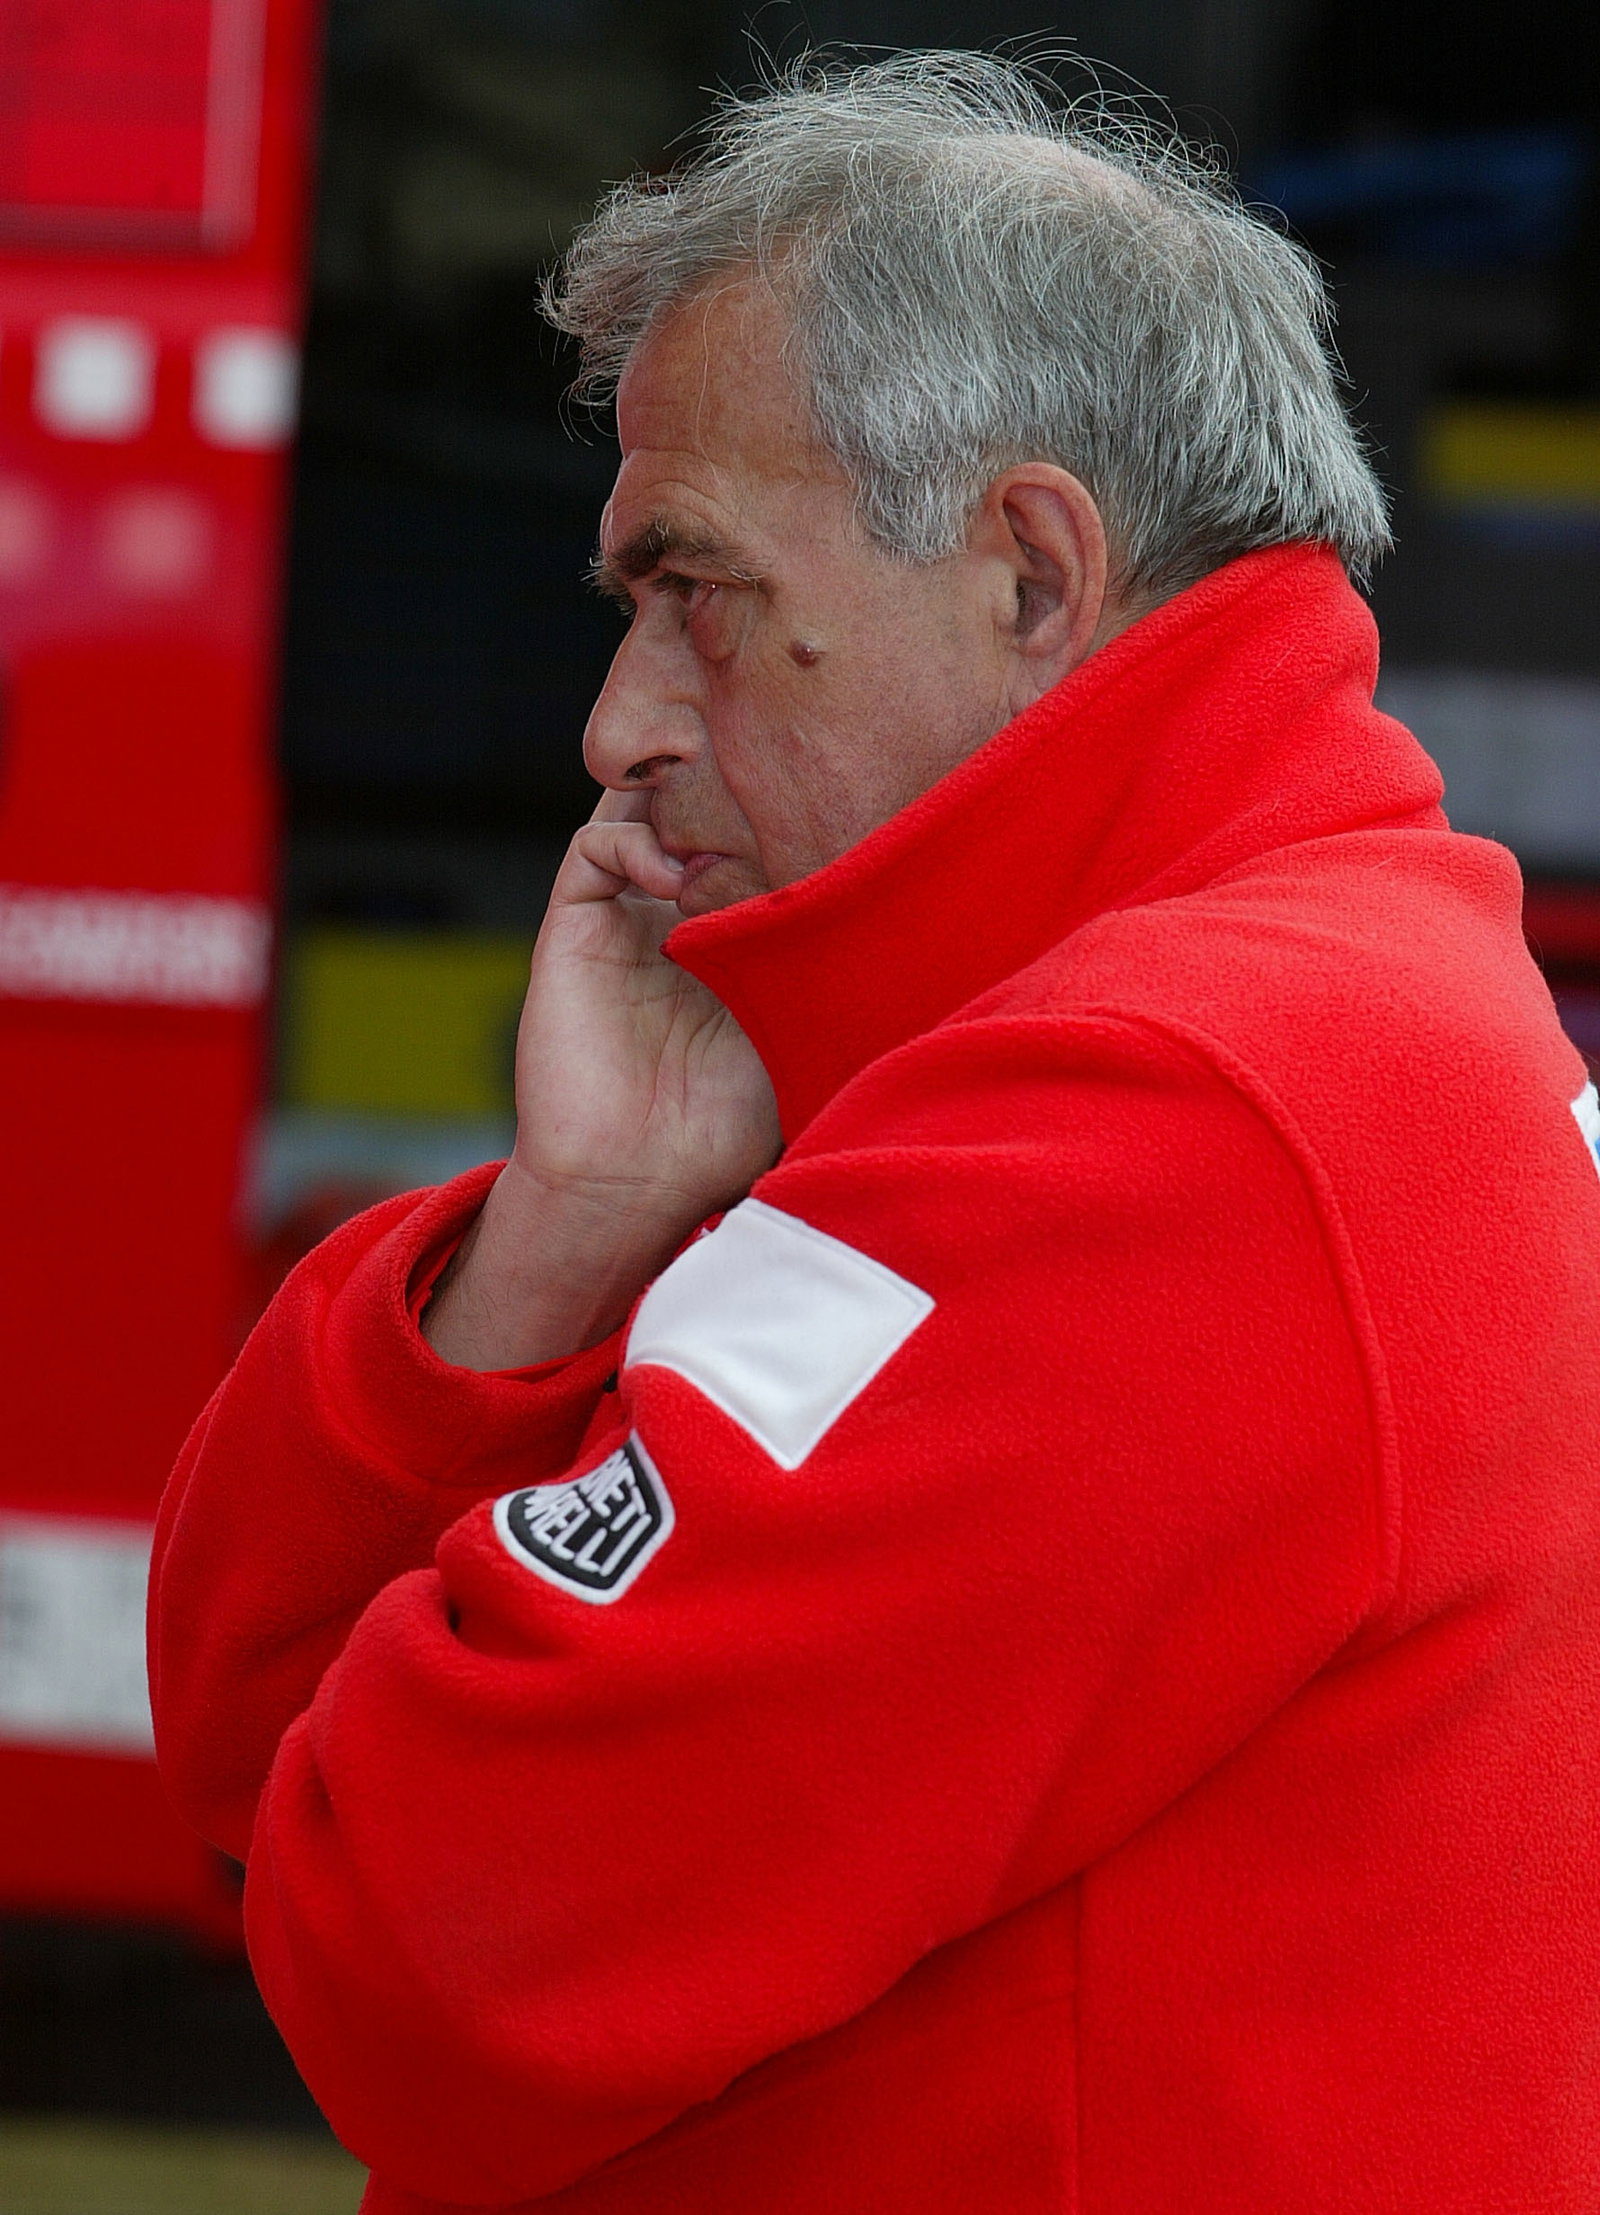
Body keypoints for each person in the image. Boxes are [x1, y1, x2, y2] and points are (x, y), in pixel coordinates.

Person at [148, 53, 1600, 2215]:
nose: (615, 725)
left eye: (694, 593)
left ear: (1028, 571)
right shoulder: (1277, 1002)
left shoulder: (1160, 1109)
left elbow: (422, 1944)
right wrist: (568, 1233)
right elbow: (270, 1801)